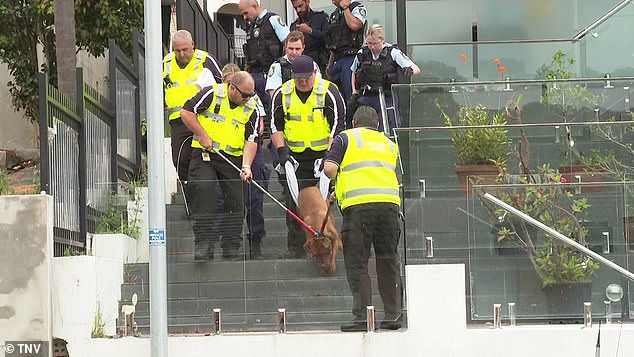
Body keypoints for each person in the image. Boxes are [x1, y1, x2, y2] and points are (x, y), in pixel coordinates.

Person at [323, 106, 403, 332]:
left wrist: (337, 180)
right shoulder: (389, 143)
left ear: (354, 123)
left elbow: (329, 168)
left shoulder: (345, 137)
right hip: (388, 206)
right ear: (377, 125)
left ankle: (363, 318)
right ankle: (393, 315)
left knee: (357, 262)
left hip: (358, 208)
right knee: (388, 260)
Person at [270, 55, 346, 258]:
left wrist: (331, 155)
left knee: (326, 202)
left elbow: (338, 124)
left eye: (306, 78)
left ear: (314, 73)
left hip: (323, 156)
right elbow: (275, 124)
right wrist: (281, 151)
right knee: (294, 204)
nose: (303, 82)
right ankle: (296, 247)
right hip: (294, 157)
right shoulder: (282, 93)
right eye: (298, 78)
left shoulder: (328, 91)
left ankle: (332, 242)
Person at [180, 71, 259, 261]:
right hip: (205, 153)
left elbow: (252, 140)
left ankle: (231, 245)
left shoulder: (252, 109)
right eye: (245, 95)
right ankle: (204, 243)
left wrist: (246, 166)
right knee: (204, 189)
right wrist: (202, 134)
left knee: (236, 201)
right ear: (232, 87)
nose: (248, 99)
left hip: (232, 158)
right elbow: (186, 112)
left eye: (251, 95)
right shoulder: (212, 94)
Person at [222, 64, 270, 260]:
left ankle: (255, 240)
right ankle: (229, 244)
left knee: (254, 198)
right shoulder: (218, 98)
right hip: (226, 153)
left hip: (250, 149)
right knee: (228, 201)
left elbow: (259, 127)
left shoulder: (251, 99)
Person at [163, 29, 222, 184]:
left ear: (193, 45)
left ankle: (200, 195)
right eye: (178, 51)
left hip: (201, 119)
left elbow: (222, 86)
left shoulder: (205, 60)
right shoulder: (166, 63)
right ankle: (189, 193)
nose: (182, 54)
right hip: (177, 120)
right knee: (180, 160)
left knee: (201, 160)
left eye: (185, 50)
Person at [350, 24, 420, 133]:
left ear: (382, 40)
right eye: (369, 43)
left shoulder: (393, 52)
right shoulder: (362, 53)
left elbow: (416, 68)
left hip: (385, 97)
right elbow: (354, 72)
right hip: (366, 97)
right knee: (363, 128)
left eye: (374, 43)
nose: (372, 47)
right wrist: (354, 92)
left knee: (388, 127)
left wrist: (410, 70)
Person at [239, 0, 290, 119]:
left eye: (246, 13)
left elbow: (288, 42)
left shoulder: (273, 20)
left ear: (255, 6)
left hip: (272, 73)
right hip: (255, 74)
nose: (244, 17)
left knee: (276, 111)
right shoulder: (251, 26)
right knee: (255, 112)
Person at [324, 0, 367, 122]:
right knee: (336, 99)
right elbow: (335, 41)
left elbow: (355, 25)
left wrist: (345, 8)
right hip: (337, 60)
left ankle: (352, 126)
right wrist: (330, 62)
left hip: (351, 59)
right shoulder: (335, 14)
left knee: (350, 99)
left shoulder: (356, 8)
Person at [290, 0, 329, 73]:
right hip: (301, 65)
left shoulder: (320, 18)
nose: (298, 10)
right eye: (295, 8)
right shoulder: (294, 25)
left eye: (300, 6)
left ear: (307, 2)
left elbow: (328, 38)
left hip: (320, 64)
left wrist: (310, 31)